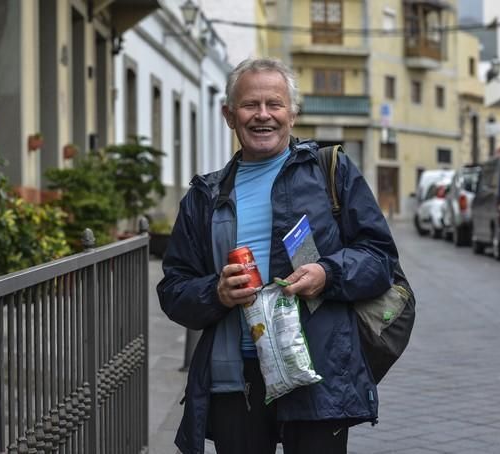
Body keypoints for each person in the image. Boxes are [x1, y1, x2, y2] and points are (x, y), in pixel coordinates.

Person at [157, 58, 398, 454]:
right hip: (237, 380)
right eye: (251, 105)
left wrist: (327, 273)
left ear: (293, 113)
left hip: (317, 369)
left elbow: (379, 258)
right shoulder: (204, 196)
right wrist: (215, 293)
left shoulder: (330, 171)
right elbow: (173, 289)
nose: (263, 115)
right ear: (229, 115)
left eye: (275, 104)